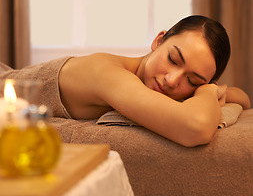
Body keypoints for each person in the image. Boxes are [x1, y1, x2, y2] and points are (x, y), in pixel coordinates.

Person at [0, 15, 251, 147]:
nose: (173, 80)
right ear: (159, 41)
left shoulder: (151, 84)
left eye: (193, 80)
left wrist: (209, 89)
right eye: (173, 60)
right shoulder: (106, 73)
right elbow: (195, 128)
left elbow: (242, 98)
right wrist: (207, 92)